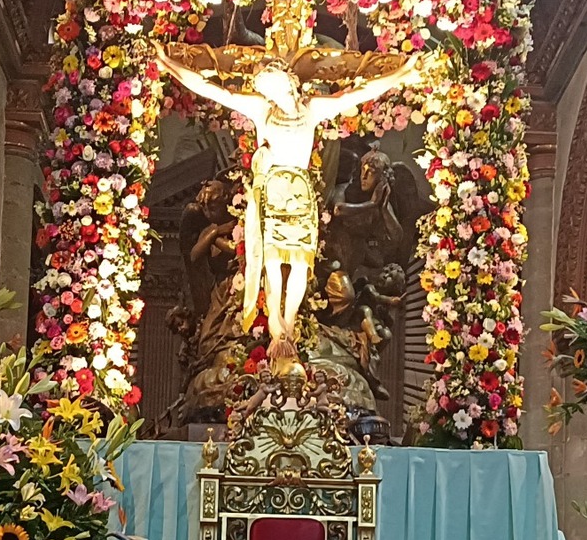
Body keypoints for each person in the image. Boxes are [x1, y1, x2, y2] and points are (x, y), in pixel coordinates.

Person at [152, 45, 419, 370]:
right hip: (275, 195)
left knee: (299, 265)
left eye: (273, 88)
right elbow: (212, 89)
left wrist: (399, 74)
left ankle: (287, 327)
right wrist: (171, 66)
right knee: (273, 264)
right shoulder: (262, 110)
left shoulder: (313, 108)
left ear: (288, 82)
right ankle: (278, 330)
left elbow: (357, 94)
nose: (270, 95)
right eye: (266, 91)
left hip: (300, 197)